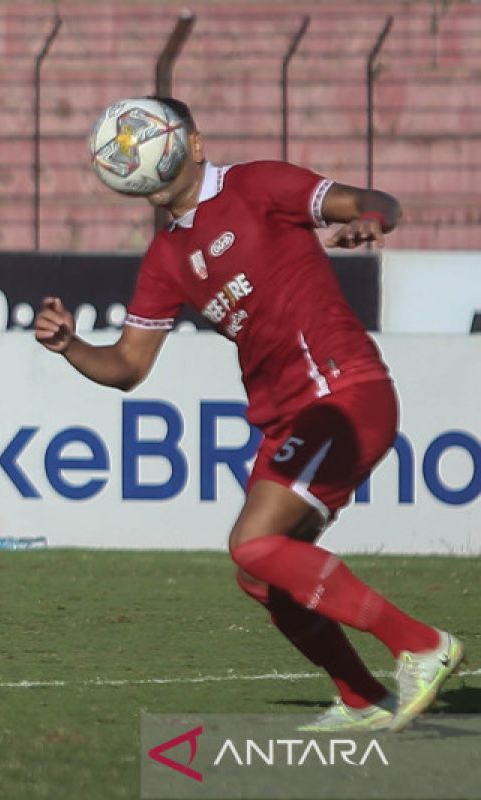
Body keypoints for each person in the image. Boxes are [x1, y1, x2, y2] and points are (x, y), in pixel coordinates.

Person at [35, 97, 463, 733]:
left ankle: (420, 644)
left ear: (195, 144)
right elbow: (129, 365)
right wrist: (71, 345)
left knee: (255, 542)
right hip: (290, 419)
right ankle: (362, 697)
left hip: (342, 393)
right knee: (260, 576)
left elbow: (375, 201)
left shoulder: (256, 185)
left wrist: (373, 218)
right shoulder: (166, 259)